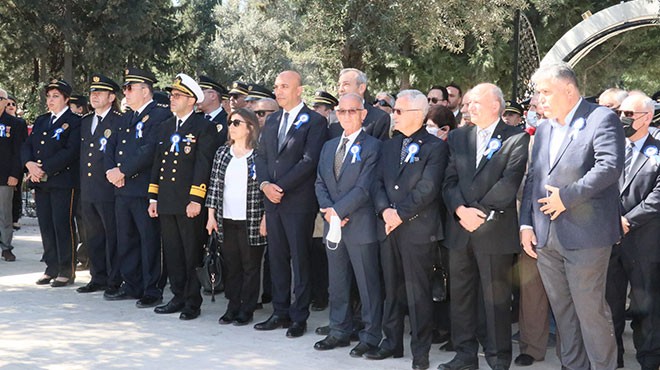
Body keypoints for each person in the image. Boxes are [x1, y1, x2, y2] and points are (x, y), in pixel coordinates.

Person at [520, 62, 623, 370]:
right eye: (538, 93)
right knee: (563, 314)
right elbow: (534, 177)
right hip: (546, 236)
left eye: (546, 92)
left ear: (569, 89)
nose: (540, 100)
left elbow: (608, 167)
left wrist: (566, 198)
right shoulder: (545, 128)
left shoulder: (601, 118)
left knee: (590, 313)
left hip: (586, 237)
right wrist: (526, 223)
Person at [439, 83, 529, 370]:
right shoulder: (459, 137)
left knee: (495, 300)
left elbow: (509, 182)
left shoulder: (516, 138)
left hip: (494, 231)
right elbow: (449, 181)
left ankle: (498, 358)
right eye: (467, 103)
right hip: (460, 230)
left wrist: (477, 212)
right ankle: (464, 354)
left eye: (475, 102)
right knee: (461, 298)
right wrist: (459, 210)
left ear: (495, 105)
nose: (468, 108)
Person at [366, 89, 448, 370]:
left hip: (417, 229)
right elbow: (376, 183)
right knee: (391, 288)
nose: (394, 116)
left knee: (418, 292)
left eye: (399, 111)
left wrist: (399, 214)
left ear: (418, 114)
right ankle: (391, 343)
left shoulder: (435, 147)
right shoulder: (389, 145)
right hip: (388, 227)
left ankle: (420, 351)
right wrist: (385, 211)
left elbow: (428, 188)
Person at [253, 70, 328, 338]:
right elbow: (260, 157)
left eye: (284, 86)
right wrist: (264, 186)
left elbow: (309, 162)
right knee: (277, 259)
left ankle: (299, 316)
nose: (278, 91)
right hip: (272, 201)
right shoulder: (272, 121)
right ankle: (280, 311)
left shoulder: (315, 121)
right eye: (276, 86)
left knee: (300, 259)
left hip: (297, 201)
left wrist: (280, 187)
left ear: (299, 90)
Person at [313, 93, 382, 357]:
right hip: (333, 225)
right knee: (337, 281)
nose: (346, 116)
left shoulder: (373, 146)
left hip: (360, 225)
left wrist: (338, 210)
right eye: (341, 112)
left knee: (367, 284)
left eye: (352, 111)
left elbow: (364, 187)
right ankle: (339, 330)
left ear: (363, 114)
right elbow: (320, 182)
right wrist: (330, 213)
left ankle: (370, 334)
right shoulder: (329, 146)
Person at [148, 74, 216, 320]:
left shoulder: (203, 127)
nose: (172, 100)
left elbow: (203, 165)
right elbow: (158, 163)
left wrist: (196, 199)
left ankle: (191, 301)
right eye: (171, 95)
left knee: (190, 253)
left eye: (177, 96)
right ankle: (177, 296)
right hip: (167, 200)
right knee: (172, 252)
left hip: (189, 203)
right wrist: (153, 197)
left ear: (192, 100)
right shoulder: (165, 126)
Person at [104, 67, 172, 307]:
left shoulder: (159, 115)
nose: (126, 93)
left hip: (143, 188)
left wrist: (122, 171)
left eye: (129, 88)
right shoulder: (126, 117)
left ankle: (152, 289)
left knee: (149, 240)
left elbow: (150, 150)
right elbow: (110, 146)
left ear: (145, 91)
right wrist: (112, 171)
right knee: (127, 239)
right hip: (122, 189)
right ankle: (132, 284)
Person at [605, 94, 660, 370]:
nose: (622, 119)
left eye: (629, 113)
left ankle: (649, 359)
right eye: (620, 113)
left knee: (645, 307)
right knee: (610, 305)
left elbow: (658, 196)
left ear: (647, 117)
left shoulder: (658, 150)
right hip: (608, 240)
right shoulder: (609, 147)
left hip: (643, 241)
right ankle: (612, 360)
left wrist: (627, 221)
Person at [206, 108, 267, 326]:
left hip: (251, 219)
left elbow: (265, 190)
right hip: (226, 219)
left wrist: (265, 218)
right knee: (232, 265)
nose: (231, 127)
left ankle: (247, 309)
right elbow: (214, 185)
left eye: (236, 123)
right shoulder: (223, 153)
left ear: (250, 127)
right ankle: (232, 306)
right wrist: (211, 216)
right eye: (230, 123)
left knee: (250, 266)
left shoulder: (260, 155)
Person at [22, 79, 81, 286]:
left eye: (56, 96)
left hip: (63, 182)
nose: (51, 100)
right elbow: (27, 145)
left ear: (66, 99)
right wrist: (29, 164)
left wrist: (43, 168)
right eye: (48, 96)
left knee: (62, 225)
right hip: (41, 182)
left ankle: (67, 269)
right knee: (46, 226)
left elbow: (70, 152)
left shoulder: (75, 122)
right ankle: (51, 267)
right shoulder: (41, 120)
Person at [77, 73, 123, 294]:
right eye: (92, 92)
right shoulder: (86, 122)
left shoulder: (118, 120)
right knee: (92, 236)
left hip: (108, 189)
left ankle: (115, 279)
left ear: (111, 97)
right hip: (88, 189)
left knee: (111, 236)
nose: (94, 96)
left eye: (100, 92)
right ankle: (98, 277)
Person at [0, 88, 27, 262]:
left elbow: (20, 152)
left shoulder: (16, 124)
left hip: (5, 176)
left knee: (5, 214)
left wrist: (16, 174)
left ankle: (6, 247)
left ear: (4, 100)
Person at [329, 68, 390, 140]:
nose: (340, 89)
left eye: (346, 84)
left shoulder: (379, 118)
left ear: (361, 88)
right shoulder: (333, 117)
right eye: (339, 85)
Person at [198, 75, 229, 146]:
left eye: (200, 94)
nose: (197, 98)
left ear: (213, 96)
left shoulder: (227, 121)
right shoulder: (195, 118)